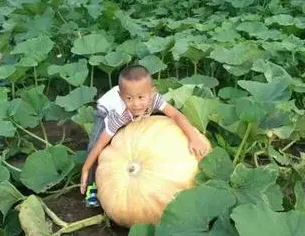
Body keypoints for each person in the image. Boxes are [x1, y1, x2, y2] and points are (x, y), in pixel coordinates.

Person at [80, 64, 211, 207]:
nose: (136, 104)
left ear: (152, 92)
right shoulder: (118, 115)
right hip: (106, 110)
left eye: (141, 97)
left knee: (145, 116)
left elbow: (176, 115)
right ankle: (91, 186)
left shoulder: (154, 99)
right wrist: (86, 167)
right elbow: (99, 144)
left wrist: (194, 137)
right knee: (95, 144)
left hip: (132, 105)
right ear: (121, 97)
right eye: (129, 98)